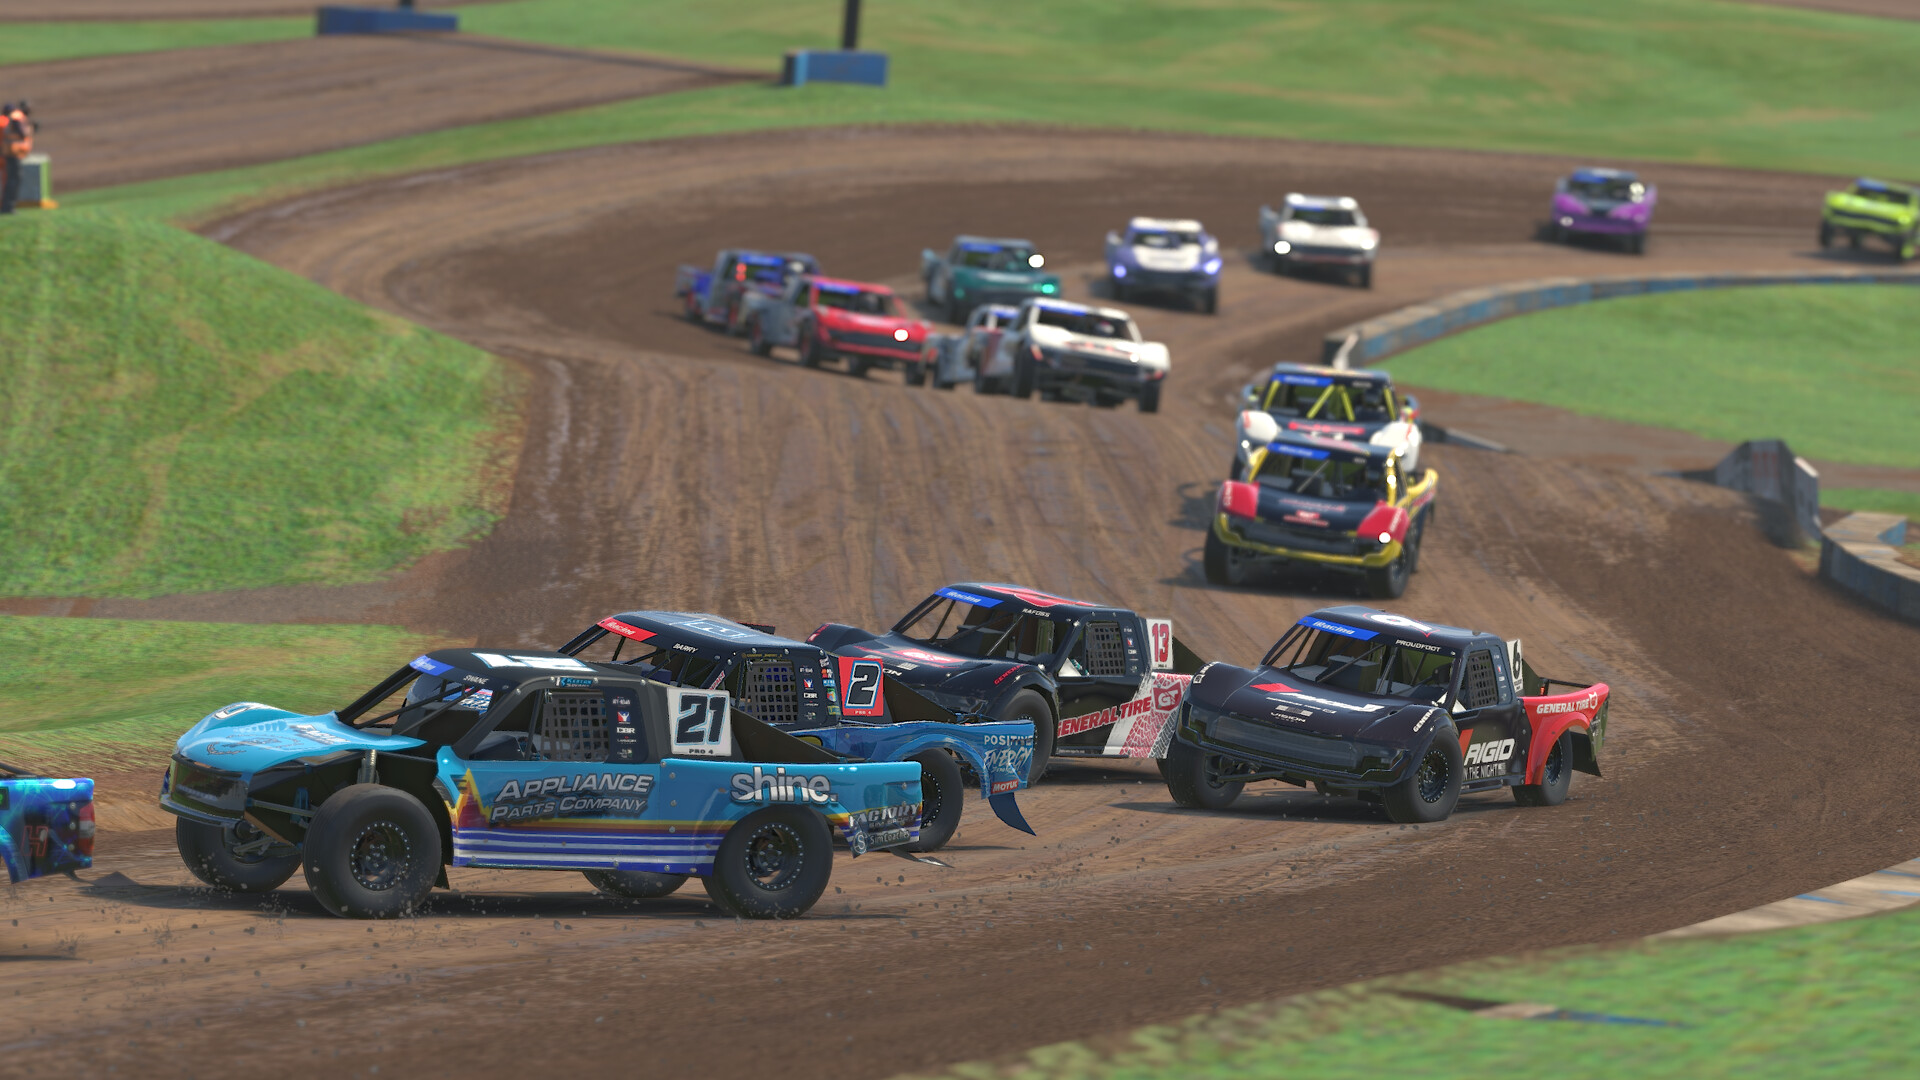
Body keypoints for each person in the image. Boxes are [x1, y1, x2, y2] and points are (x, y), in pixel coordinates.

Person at [0, 101, 32, 215]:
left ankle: (7, 207)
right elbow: (22, 133)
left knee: (8, 180)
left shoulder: (4, 120)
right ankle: (8, 207)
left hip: (7, 152)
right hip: (11, 153)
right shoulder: (15, 118)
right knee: (12, 180)